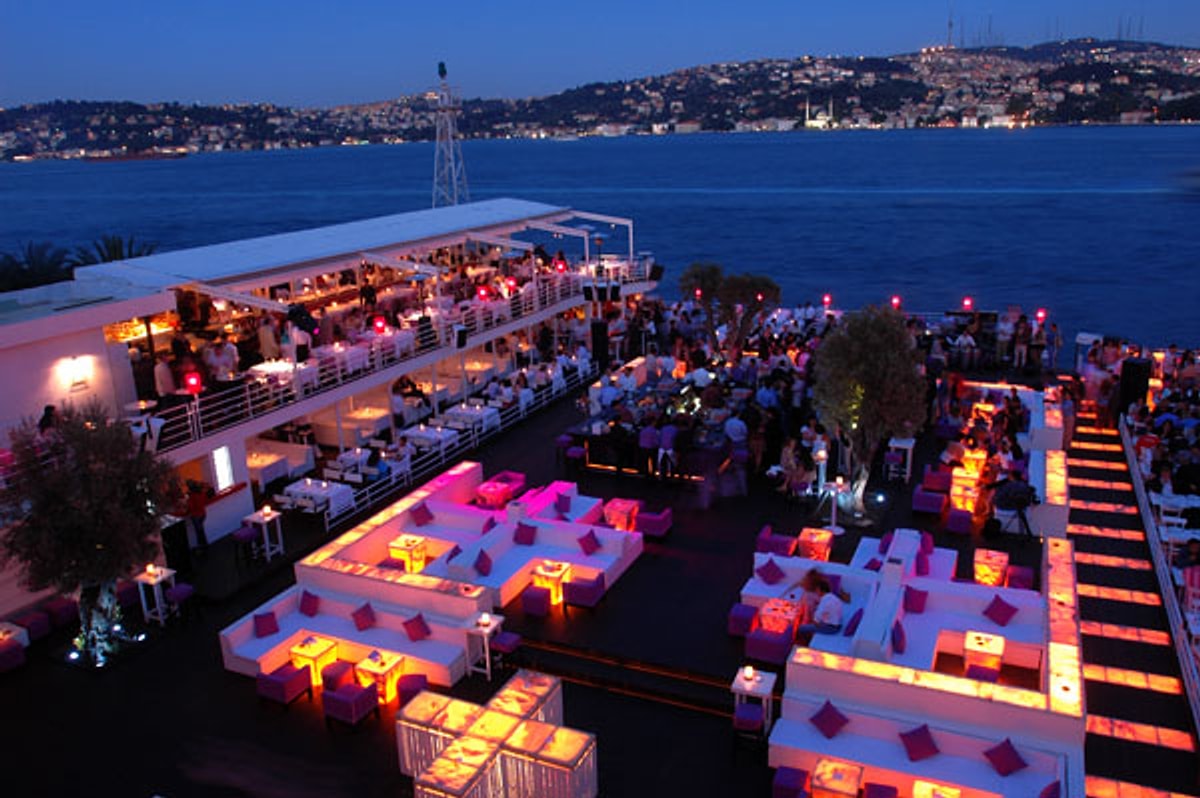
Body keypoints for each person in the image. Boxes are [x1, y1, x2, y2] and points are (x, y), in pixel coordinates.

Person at [988, 469, 1039, 539]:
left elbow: (997, 499)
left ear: (1012, 477)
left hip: (1007, 505)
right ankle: (1027, 533)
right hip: (1019, 505)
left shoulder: (1007, 486)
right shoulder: (1024, 485)